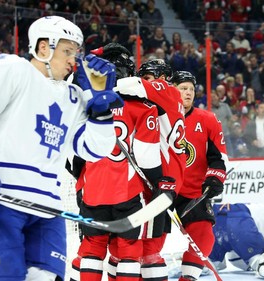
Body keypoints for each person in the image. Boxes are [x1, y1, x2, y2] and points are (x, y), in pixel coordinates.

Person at [0, 16, 124, 281]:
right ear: (43, 48)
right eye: (66, 51)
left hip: (48, 210)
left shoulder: (73, 96)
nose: (73, 60)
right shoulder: (11, 69)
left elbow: (94, 150)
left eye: (76, 53)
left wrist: (101, 113)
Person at [69, 43, 175, 281]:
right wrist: (160, 183)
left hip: (92, 190)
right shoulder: (144, 108)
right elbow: (146, 156)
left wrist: (80, 179)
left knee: (93, 249)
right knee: (129, 250)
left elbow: (74, 152)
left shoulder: (85, 105)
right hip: (127, 193)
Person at [114, 59, 186, 280]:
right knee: (148, 246)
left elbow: (130, 85)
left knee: (146, 251)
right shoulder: (170, 99)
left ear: (162, 78)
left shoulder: (166, 90)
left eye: (148, 78)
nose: (145, 82)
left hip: (159, 180)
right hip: (167, 178)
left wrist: (100, 85)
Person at [170, 71, 228, 281]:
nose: (188, 93)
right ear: (171, 89)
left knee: (204, 236)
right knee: (148, 241)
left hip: (192, 192)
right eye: (183, 88)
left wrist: (214, 178)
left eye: (191, 90)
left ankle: (188, 278)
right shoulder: (157, 116)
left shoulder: (207, 120)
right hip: (159, 190)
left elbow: (218, 157)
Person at [209, 203, 264, 279]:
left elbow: (236, 261)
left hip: (211, 223)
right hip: (239, 220)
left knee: (206, 265)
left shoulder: (260, 209)